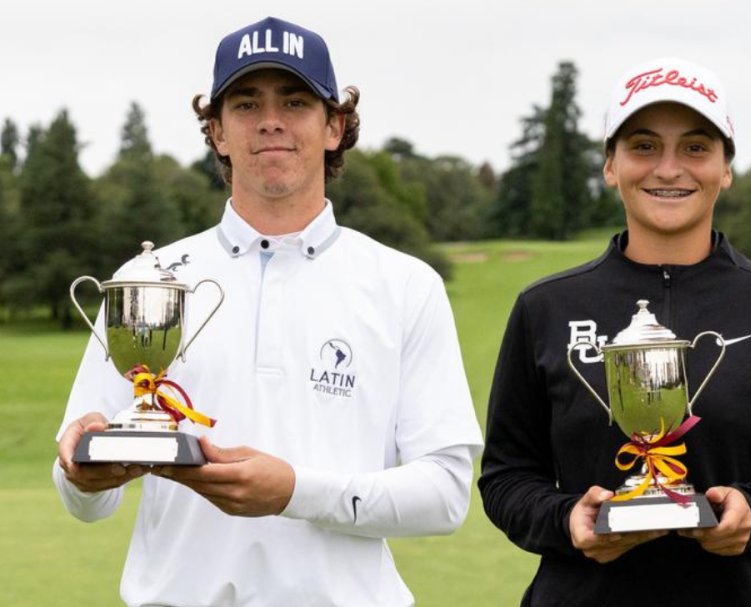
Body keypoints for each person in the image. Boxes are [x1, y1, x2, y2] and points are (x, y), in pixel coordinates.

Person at [54, 16, 483, 607]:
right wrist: (82, 475)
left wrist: (295, 492)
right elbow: (84, 492)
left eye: (296, 101)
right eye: (247, 103)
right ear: (218, 131)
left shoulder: (406, 284)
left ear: (334, 126)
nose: (271, 120)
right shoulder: (147, 280)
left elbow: (444, 496)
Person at [478, 57, 751, 607]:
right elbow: (507, 477)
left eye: (697, 147)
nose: (669, 168)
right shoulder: (545, 306)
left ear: (726, 168)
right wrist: (567, 521)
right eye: (644, 146)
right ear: (611, 165)